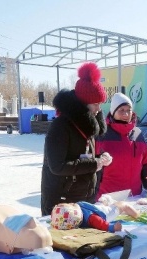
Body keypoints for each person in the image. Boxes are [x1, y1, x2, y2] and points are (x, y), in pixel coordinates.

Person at [41, 62, 112, 216]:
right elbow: (58, 166)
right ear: (82, 105)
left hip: (83, 198)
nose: (99, 109)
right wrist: (95, 163)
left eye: (100, 104)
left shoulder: (88, 127)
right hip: (61, 203)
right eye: (95, 104)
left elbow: (81, 157)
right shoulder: (61, 126)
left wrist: (100, 158)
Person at [95, 92, 147, 199]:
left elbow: (145, 164)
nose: (126, 114)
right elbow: (93, 165)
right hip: (108, 198)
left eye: (128, 110)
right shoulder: (102, 134)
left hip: (134, 197)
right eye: (121, 110)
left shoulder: (138, 134)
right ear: (113, 112)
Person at [51, 200, 139, 232]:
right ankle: (136, 214)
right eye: (70, 204)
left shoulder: (68, 219)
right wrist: (112, 227)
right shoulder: (91, 218)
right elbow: (101, 224)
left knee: (104, 203)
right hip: (105, 214)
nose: (70, 203)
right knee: (122, 205)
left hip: (96, 208)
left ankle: (107, 202)